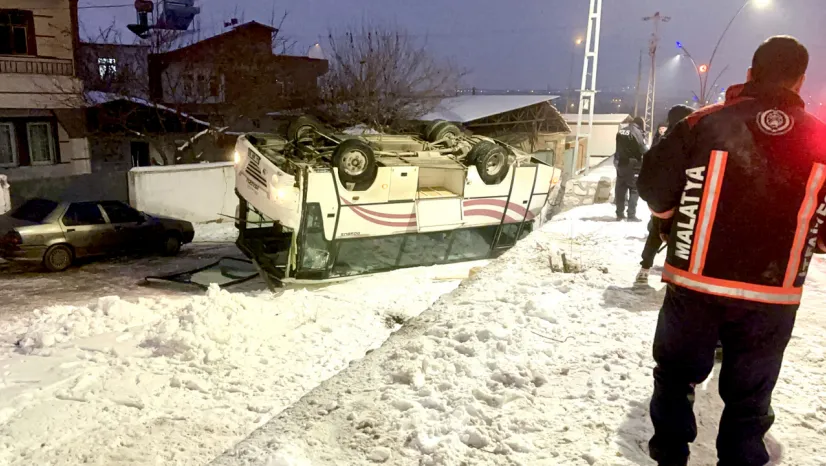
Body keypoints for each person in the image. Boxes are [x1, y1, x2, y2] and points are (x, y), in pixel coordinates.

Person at [637, 36, 826, 466]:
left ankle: (670, 454)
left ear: (749, 74)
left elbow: (653, 183)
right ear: (800, 81)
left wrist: (669, 220)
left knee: (675, 376)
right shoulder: (822, 139)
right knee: (749, 399)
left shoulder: (703, 123)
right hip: (773, 294)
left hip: (696, 281)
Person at [635, 105, 695, 285]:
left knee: (655, 233)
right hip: (679, 202)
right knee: (678, 239)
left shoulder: (662, 140)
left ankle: (645, 268)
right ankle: (673, 275)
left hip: (660, 203)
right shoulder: (686, 142)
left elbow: (646, 172)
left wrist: (653, 202)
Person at [615, 116, 647, 221]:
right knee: (634, 189)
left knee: (621, 188)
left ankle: (619, 213)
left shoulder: (622, 131)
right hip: (633, 164)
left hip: (621, 163)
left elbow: (617, 148)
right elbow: (642, 148)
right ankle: (631, 215)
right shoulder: (636, 132)